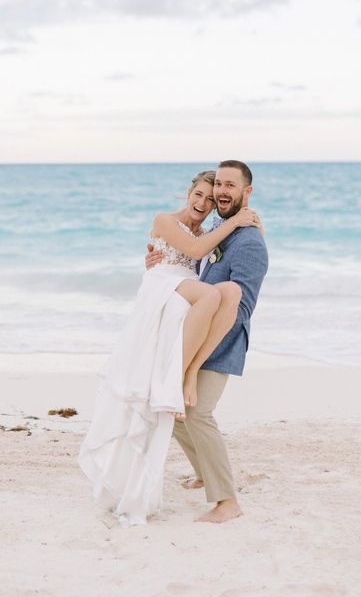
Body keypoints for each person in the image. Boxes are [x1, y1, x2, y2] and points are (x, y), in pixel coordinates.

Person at [78, 169, 262, 527]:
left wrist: (249, 225)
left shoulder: (212, 233)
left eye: (212, 199)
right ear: (188, 191)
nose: (204, 202)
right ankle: (181, 387)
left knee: (186, 411)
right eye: (200, 194)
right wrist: (235, 220)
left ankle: (182, 379)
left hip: (189, 311)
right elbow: (189, 253)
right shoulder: (166, 220)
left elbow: (230, 263)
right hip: (168, 299)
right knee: (174, 410)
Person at [145, 160, 269, 524]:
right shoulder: (219, 227)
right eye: (220, 185)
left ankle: (226, 501)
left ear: (247, 192)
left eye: (232, 185)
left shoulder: (249, 241)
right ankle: (204, 473)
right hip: (194, 333)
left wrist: (198, 349)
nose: (222, 191)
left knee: (197, 412)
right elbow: (190, 266)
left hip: (221, 342)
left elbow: (241, 307)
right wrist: (157, 261)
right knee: (176, 411)